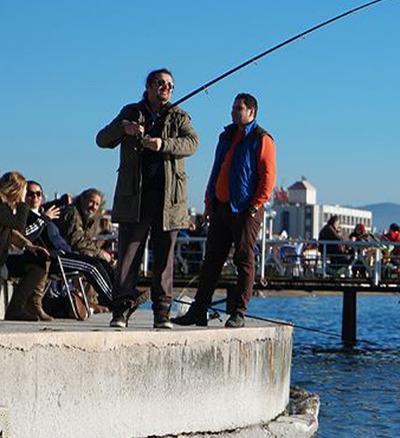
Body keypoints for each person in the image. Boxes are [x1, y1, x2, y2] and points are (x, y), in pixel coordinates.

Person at [96, 68, 199, 329]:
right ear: (149, 86)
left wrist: (163, 144)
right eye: (161, 83)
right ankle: (121, 311)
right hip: (135, 199)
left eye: (170, 85)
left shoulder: (179, 116)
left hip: (169, 202)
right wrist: (124, 129)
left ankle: (162, 314)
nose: (166, 88)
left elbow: (192, 143)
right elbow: (102, 140)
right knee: (128, 258)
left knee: (164, 261)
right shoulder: (130, 112)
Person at [173, 93, 276, 328]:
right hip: (221, 206)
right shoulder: (226, 136)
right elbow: (216, 169)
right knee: (211, 260)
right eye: (233, 107)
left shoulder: (262, 139)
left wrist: (255, 205)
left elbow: (268, 177)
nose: (233, 111)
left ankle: (239, 312)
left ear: (251, 112)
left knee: (244, 260)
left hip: (245, 210)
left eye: (238, 108)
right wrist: (209, 202)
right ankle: (198, 311)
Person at [25, 182, 115, 313]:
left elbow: (48, 207)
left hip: (65, 253)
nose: (35, 197)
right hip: (55, 257)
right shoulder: (31, 215)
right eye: (30, 194)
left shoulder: (43, 213)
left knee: (99, 263)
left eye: (39, 194)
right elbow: (76, 240)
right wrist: (45, 218)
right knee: (92, 265)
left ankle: (122, 297)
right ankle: (115, 302)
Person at [0, 172, 52, 321]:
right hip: (2, 260)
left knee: (38, 262)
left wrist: (28, 246)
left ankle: (16, 308)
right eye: (25, 191)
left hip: (3, 258)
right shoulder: (1, 206)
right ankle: (15, 309)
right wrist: (23, 203)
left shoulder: (5, 207)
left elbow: (11, 232)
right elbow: (19, 226)